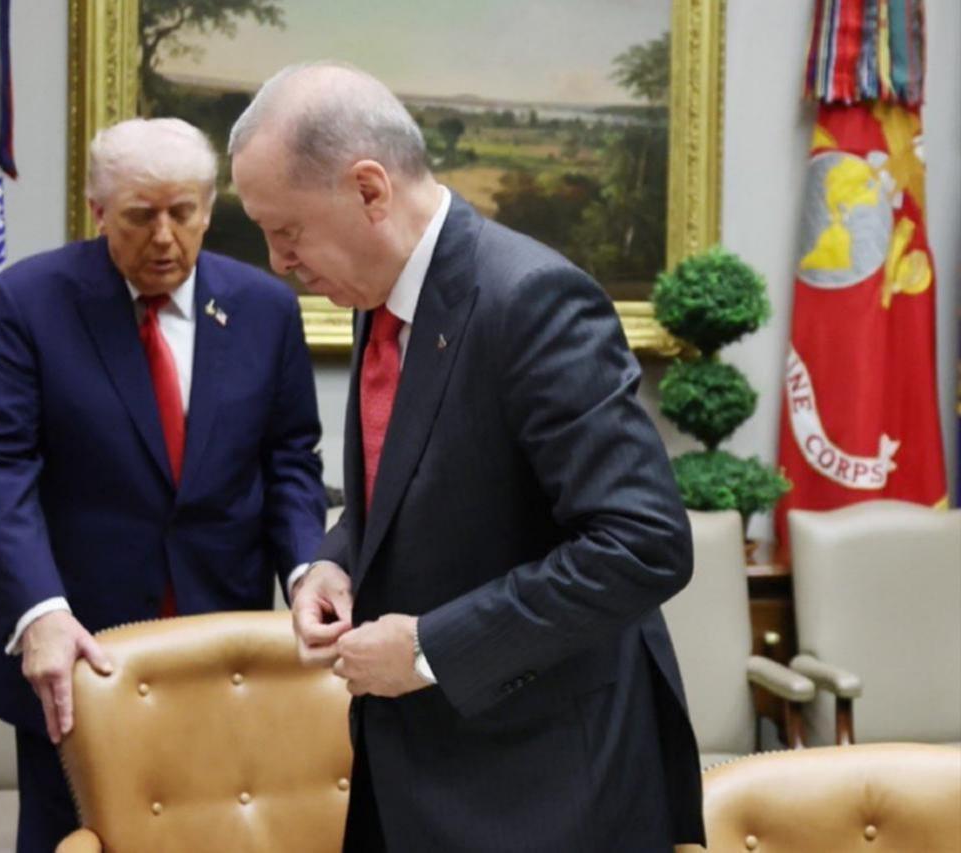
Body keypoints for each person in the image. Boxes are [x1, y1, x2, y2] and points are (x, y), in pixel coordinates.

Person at [229, 63, 704, 852]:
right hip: (416, 769)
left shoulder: (532, 301)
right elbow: (414, 475)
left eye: (287, 231)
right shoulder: (375, 292)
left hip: (547, 786)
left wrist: (425, 648)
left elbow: (644, 542)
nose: (278, 261)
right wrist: (334, 561)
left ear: (370, 191)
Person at [0, 117, 326, 851]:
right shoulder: (33, 302)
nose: (164, 237)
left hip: (215, 652)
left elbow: (290, 459)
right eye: (139, 215)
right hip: (74, 652)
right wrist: (38, 612)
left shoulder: (265, 308)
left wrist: (309, 566)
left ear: (208, 207)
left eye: (182, 212)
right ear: (98, 212)